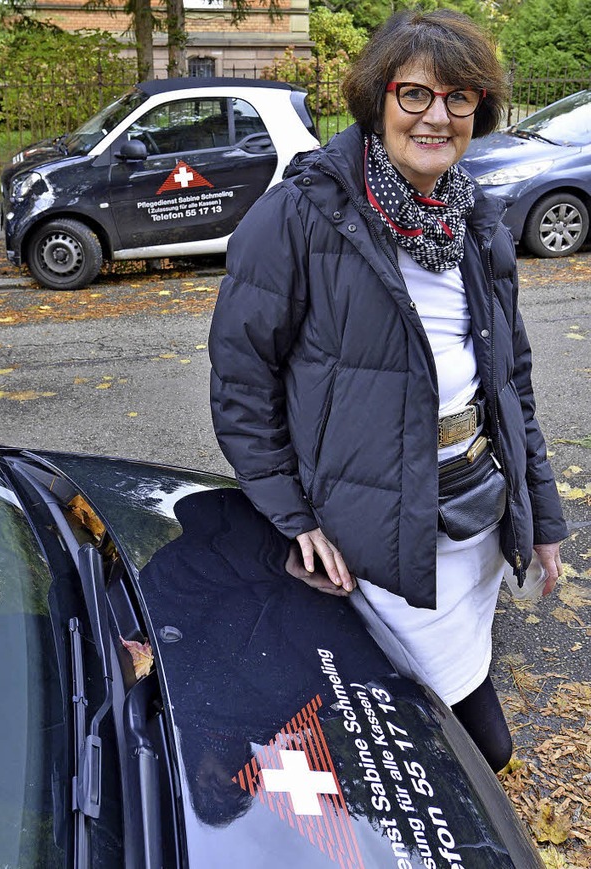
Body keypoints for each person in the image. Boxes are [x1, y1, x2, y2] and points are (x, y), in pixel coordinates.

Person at [208, 9, 567, 772]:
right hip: (372, 534)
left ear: (480, 111)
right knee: (453, 748)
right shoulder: (303, 214)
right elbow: (242, 381)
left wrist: (542, 515)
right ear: (378, 100)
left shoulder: (477, 222)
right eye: (415, 94)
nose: (437, 116)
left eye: (459, 97)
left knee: (439, 737)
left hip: (471, 516)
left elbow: (511, 382)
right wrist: (292, 512)